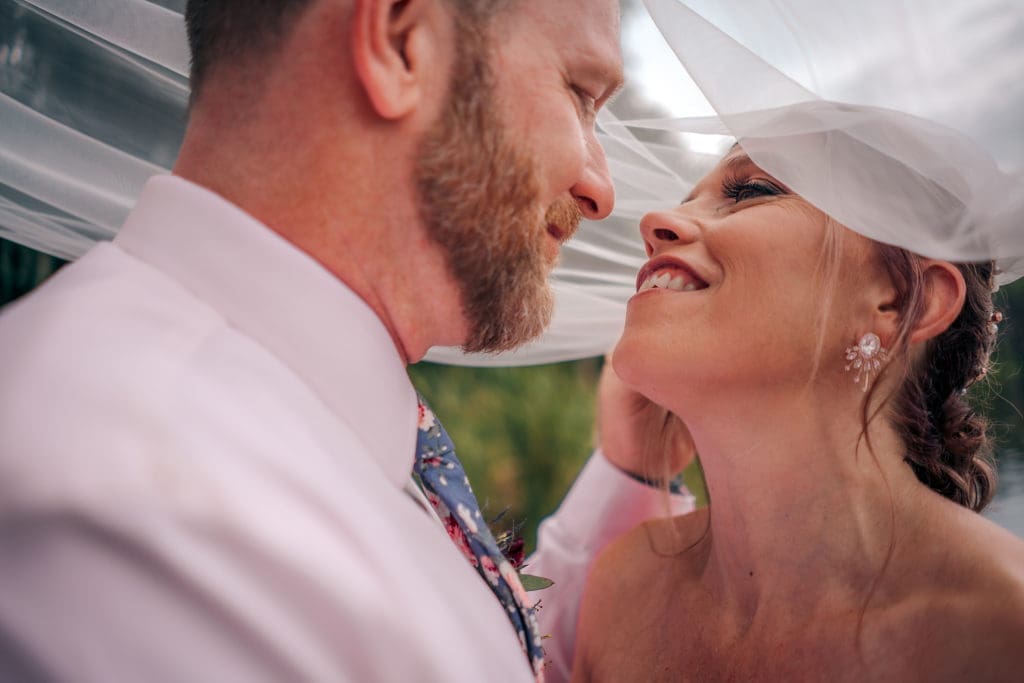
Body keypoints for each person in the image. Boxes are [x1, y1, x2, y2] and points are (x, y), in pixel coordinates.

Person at [0, 1, 693, 681]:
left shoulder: (300, 428)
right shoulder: (145, 526)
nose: (600, 189)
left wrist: (632, 469)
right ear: (399, 42)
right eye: (580, 93)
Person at [570, 146, 1024, 682]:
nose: (654, 222)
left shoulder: (1002, 626)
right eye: (689, 198)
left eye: (752, 192)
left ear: (903, 301)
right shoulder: (621, 589)